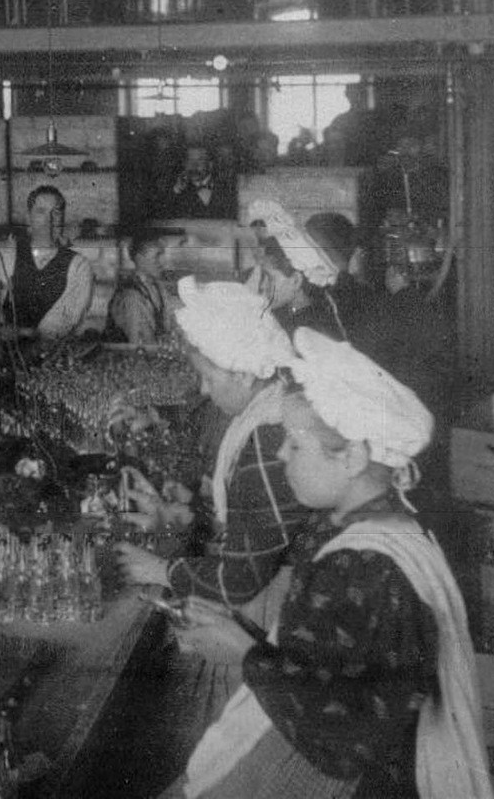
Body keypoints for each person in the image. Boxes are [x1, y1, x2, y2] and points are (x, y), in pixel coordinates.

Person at [168, 328, 492, 799]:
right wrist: (243, 639)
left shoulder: (362, 566)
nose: (280, 455)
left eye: (296, 446)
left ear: (354, 458)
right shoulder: (376, 529)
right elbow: (338, 668)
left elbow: (342, 742)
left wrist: (244, 653)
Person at [116, 278, 304, 616]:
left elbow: (240, 579)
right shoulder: (264, 409)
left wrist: (158, 570)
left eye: (209, 378)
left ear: (244, 374)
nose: (203, 389)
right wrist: (191, 510)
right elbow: (252, 524)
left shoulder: (268, 435)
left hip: (275, 607)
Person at [246, 199, 359, 341]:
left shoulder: (307, 330)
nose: (262, 286)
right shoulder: (295, 311)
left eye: (269, 278)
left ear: (295, 280)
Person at [0, 185, 95, 338]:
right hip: (7, 354)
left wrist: (23, 333)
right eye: (41, 212)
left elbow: (64, 322)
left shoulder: (79, 266)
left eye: (56, 212)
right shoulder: (9, 255)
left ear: (63, 218)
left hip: (53, 356)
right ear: (29, 218)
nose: (49, 220)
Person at [106, 234, 174, 344]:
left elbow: (170, 328)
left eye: (162, 255)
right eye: (157, 256)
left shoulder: (158, 288)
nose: (163, 262)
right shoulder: (130, 296)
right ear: (139, 258)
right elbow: (143, 345)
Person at [166, 147, 232, 219]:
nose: (194, 165)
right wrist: (176, 191)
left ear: (210, 165)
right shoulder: (177, 190)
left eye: (200, 160)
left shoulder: (227, 188)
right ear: (184, 164)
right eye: (190, 160)